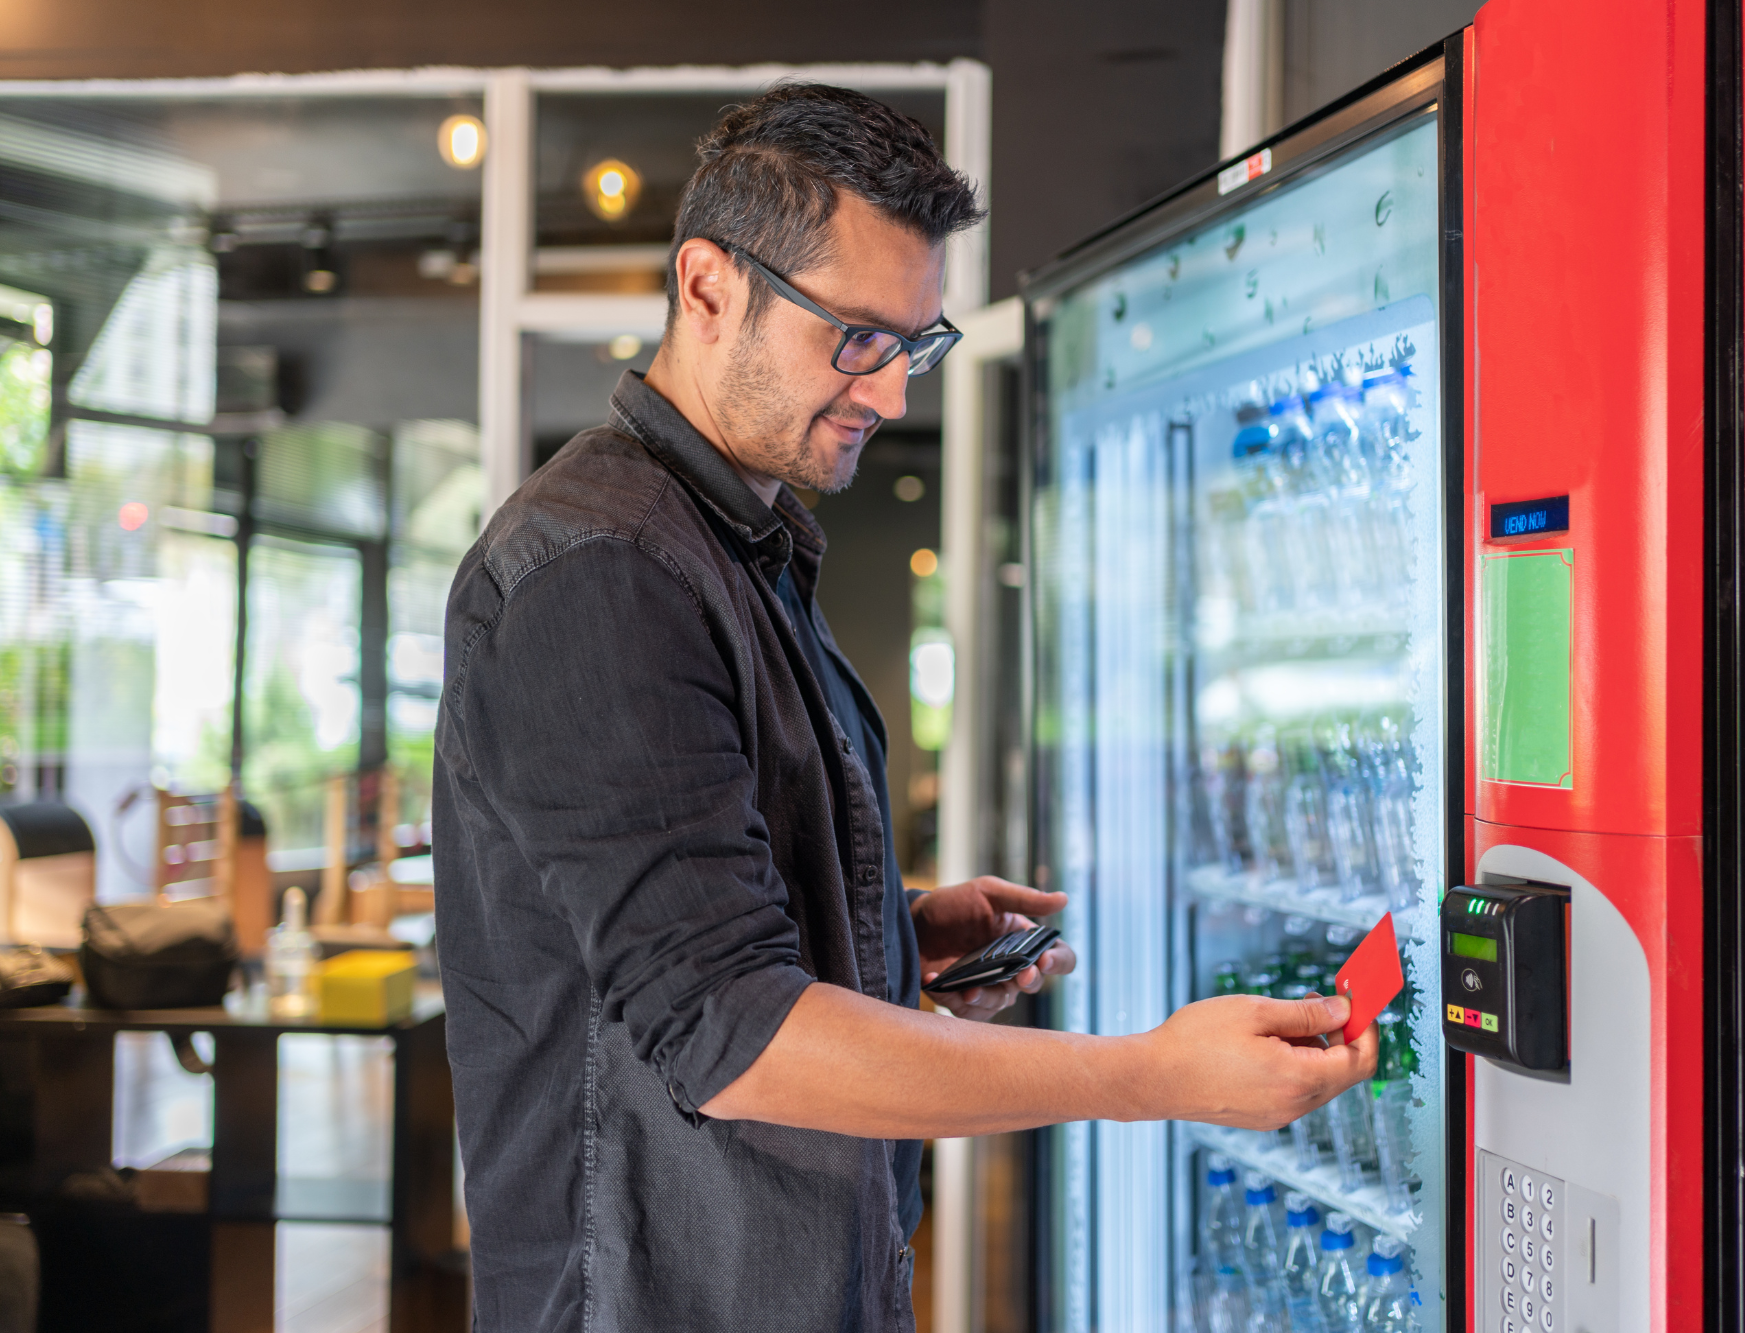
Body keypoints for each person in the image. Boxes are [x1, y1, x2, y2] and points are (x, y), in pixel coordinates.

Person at [432, 83, 1377, 1333]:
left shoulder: (734, 543)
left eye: (912, 346)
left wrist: (880, 926)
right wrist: (1146, 1074)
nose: (888, 395)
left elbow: (679, 919)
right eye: (855, 338)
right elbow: (733, 1031)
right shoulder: (598, 570)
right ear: (708, 289)